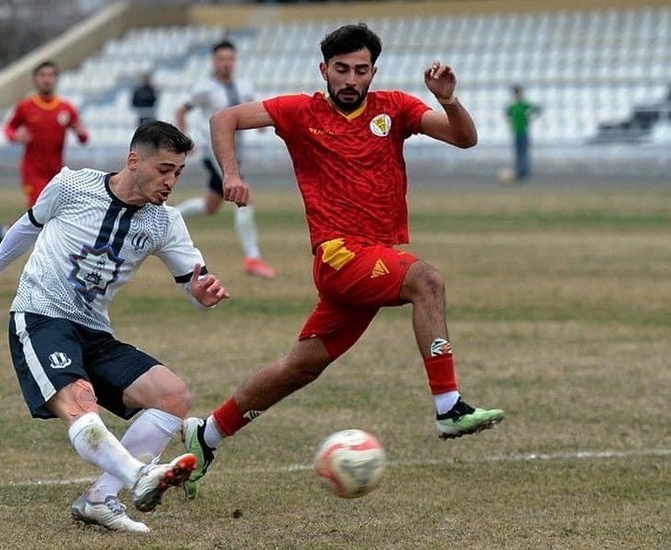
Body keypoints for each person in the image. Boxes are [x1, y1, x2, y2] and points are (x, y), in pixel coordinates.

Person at [178, 24, 505, 498]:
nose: (351, 79)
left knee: (300, 367)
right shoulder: (299, 111)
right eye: (342, 70)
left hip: (372, 258)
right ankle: (449, 405)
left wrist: (449, 100)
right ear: (324, 71)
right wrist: (231, 174)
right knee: (427, 281)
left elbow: (464, 139)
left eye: (361, 70)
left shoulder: (394, 108)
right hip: (338, 255)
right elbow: (223, 118)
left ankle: (206, 435)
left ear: (374, 71)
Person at [0, 121, 231, 532]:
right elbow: (27, 225)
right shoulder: (72, 186)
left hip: (94, 330)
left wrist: (202, 294)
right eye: (164, 169)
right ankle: (139, 476)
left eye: (178, 172)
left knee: (174, 397)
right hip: (41, 315)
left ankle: (100, 499)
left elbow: (195, 287)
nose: (171, 181)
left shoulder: (165, 222)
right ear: (133, 160)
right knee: (80, 402)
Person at [174, 39, 277, 279]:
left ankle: (166, 218)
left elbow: (253, 110)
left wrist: (262, 125)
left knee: (211, 206)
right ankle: (253, 257)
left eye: (229, 59)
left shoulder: (244, 86)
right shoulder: (205, 89)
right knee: (244, 197)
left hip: (235, 154)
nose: (226, 64)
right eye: (221, 59)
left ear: (235, 61)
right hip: (215, 152)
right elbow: (182, 110)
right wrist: (184, 139)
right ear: (214, 61)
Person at [0, 60, 89, 246]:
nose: (47, 80)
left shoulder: (66, 108)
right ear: (35, 80)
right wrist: (16, 136)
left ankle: (6, 231)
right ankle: (43, 246)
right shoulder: (26, 106)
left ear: (56, 79)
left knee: (50, 212)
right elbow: (9, 129)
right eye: (42, 76)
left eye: (51, 76)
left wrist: (81, 132)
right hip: (33, 170)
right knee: (39, 210)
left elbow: (84, 138)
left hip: (56, 172)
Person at [505, 84, 541, 182]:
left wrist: (530, 118)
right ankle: (519, 171)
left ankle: (524, 172)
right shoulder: (513, 106)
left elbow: (537, 109)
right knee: (518, 153)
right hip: (516, 132)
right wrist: (512, 122)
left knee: (524, 152)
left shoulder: (524, 105)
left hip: (524, 132)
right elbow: (508, 114)